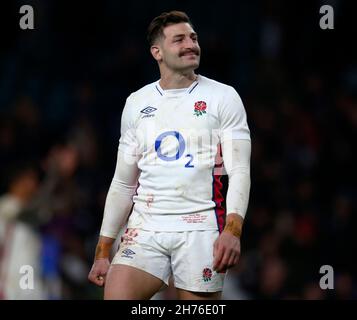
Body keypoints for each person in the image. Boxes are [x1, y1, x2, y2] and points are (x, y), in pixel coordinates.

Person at [88, 10, 251, 300]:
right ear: (157, 52)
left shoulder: (224, 97)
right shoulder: (137, 103)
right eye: (179, 39)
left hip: (200, 227)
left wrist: (233, 230)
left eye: (193, 37)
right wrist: (103, 251)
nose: (191, 44)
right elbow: (123, 183)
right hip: (145, 227)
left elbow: (239, 170)